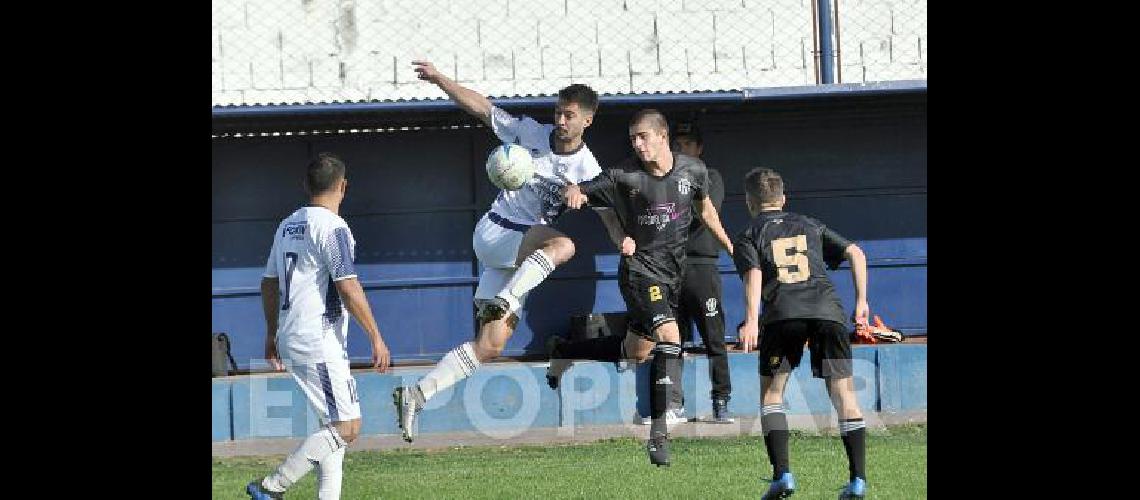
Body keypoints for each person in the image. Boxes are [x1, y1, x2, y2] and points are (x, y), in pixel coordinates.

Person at [393, 61, 625, 442]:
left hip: (514, 256)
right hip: (496, 230)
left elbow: (608, 213)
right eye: (558, 113)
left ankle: (417, 393)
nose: (561, 121)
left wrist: (621, 240)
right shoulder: (529, 132)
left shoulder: (587, 167)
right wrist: (439, 79)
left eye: (569, 115)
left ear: (588, 120)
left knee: (491, 345)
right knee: (564, 245)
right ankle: (506, 297)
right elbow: (482, 108)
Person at [548, 109, 734, 466]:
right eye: (633, 137)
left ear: (662, 137)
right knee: (670, 336)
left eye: (642, 137)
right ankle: (659, 437)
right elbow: (584, 190)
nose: (637, 144)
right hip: (639, 272)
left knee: (635, 351)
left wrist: (731, 249)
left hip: (672, 275)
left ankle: (565, 351)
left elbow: (706, 211)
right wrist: (575, 194)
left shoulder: (693, 171)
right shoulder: (623, 174)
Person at [246, 153, 392, 500]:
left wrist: (270, 332)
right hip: (318, 339)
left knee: (333, 434)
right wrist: (376, 336)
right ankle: (271, 487)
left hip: (292, 334)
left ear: (306, 186)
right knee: (347, 427)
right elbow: (347, 284)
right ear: (343, 186)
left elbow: (268, 282)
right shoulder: (332, 226)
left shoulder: (287, 224)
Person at [732, 167, 870, 499]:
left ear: (750, 202)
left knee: (772, 395)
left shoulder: (748, 234)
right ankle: (857, 481)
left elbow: (752, 273)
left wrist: (751, 319)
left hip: (783, 315)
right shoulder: (810, 224)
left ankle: (783, 476)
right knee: (844, 396)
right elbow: (855, 252)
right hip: (828, 312)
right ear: (783, 199)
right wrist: (862, 302)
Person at [666, 121, 734, 424]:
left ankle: (721, 401)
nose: (682, 148)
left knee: (714, 338)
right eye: (677, 142)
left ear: (699, 148)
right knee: (670, 339)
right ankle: (672, 404)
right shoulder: (662, 177)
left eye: (688, 143)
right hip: (670, 266)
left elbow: (702, 213)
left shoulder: (710, 176)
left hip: (703, 267)